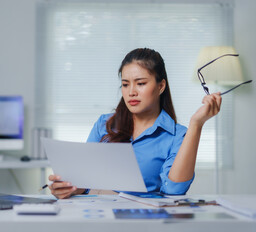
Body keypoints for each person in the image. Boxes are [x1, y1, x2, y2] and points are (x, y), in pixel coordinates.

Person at [48, 48, 222, 199]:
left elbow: (174, 191)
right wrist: (68, 188)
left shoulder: (177, 135)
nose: (131, 92)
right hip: (96, 217)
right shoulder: (104, 124)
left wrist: (196, 124)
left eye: (140, 83)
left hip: (142, 221)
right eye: (125, 84)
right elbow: (85, 181)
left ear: (161, 87)